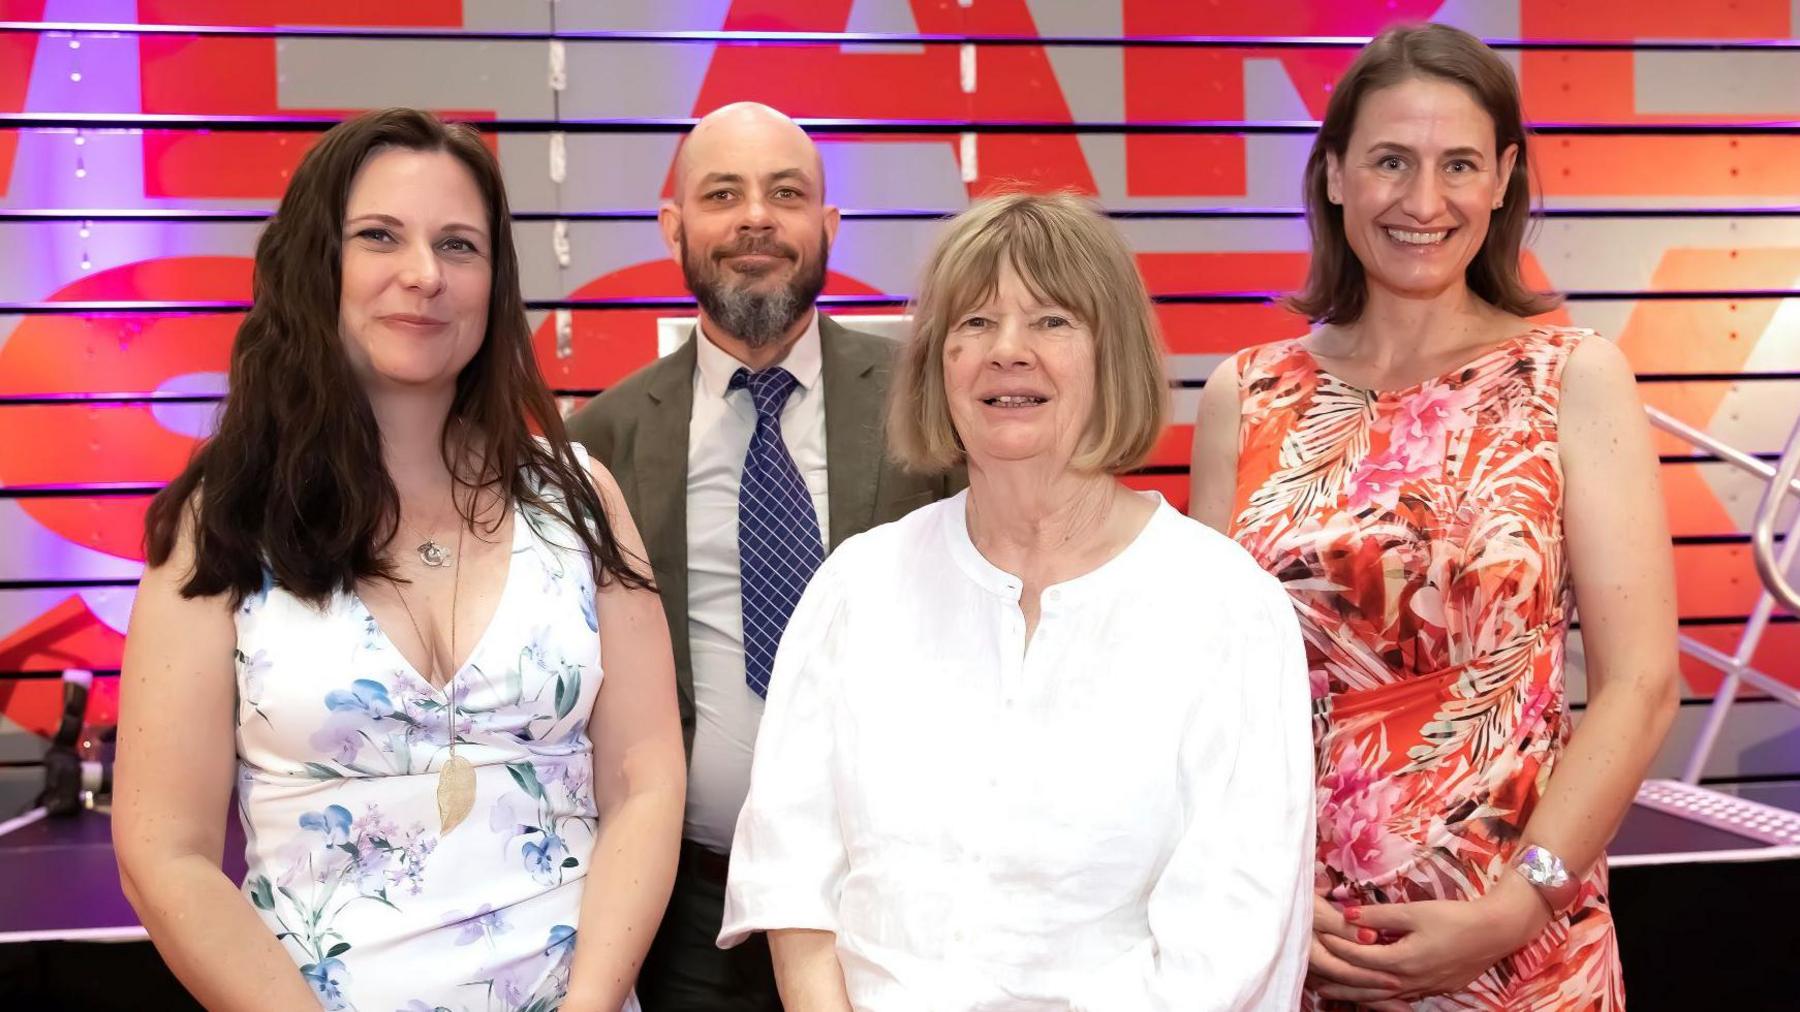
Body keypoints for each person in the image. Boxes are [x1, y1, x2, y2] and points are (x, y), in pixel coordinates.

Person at [112, 108, 686, 1011]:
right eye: (380, 236)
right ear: (317, 264)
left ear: (495, 283)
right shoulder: (222, 518)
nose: (423, 275)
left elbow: (645, 779)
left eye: (459, 246)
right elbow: (163, 850)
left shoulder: (579, 497)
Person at [720, 192, 1315, 1010]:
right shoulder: (857, 589)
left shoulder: (1225, 608)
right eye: (973, 323)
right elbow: (793, 875)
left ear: (1116, 356)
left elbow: (1228, 940)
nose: (1008, 352)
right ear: (936, 364)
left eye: (1052, 321)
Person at [1189, 23, 1680, 1011]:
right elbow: (1210, 699)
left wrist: (1521, 905)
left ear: (1504, 180)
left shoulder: (1572, 376)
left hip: (1526, 955)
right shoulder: (1243, 394)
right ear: (1332, 175)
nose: (1423, 201)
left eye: (1458, 163)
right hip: (1296, 947)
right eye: (1389, 162)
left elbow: (1642, 682)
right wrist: (1271, 899)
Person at [565, 102, 958, 1010]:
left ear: (826, 226)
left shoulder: (931, 411)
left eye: (786, 194)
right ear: (676, 230)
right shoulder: (599, 442)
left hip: (896, 898)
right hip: (682, 913)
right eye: (722, 194)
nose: (755, 218)